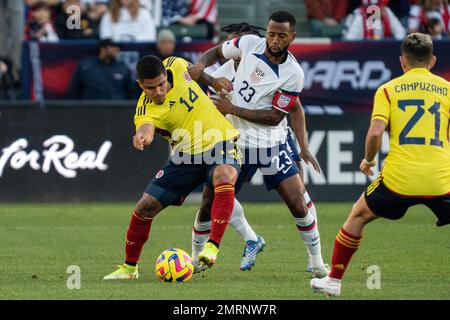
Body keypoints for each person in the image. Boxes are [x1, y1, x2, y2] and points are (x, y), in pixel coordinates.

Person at [189, 11, 329, 278]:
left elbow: (276, 115)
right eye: (271, 33)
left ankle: (317, 262)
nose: (274, 40)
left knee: (297, 202)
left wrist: (234, 108)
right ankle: (195, 259)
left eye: (281, 35)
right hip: (234, 143)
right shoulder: (249, 44)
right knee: (209, 200)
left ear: (292, 37)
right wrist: (199, 67)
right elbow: (217, 51)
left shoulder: (293, 73)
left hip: (270, 144)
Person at [310, 33, 450, 297]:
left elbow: (375, 134)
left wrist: (368, 160)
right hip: (442, 180)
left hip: (399, 181)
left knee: (358, 215)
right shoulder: (448, 89)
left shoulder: (388, 89)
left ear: (402, 61)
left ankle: (334, 281)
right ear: (432, 61)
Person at [103, 54, 242, 280]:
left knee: (225, 175)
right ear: (140, 85)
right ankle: (129, 269)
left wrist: (212, 80)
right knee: (145, 206)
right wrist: (142, 138)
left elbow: (195, 70)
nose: (158, 91)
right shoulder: (145, 110)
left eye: (161, 84)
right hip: (185, 158)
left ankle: (212, 247)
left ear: (165, 75)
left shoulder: (175, 65)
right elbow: (145, 129)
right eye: (150, 88)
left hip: (220, 141)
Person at [66, 39, 136, 100]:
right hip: (90, 110)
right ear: (103, 49)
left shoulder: (122, 67)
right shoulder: (85, 66)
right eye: (113, 46)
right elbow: (73, 90)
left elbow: (131, 91)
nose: (117, 49)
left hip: (117, 110)